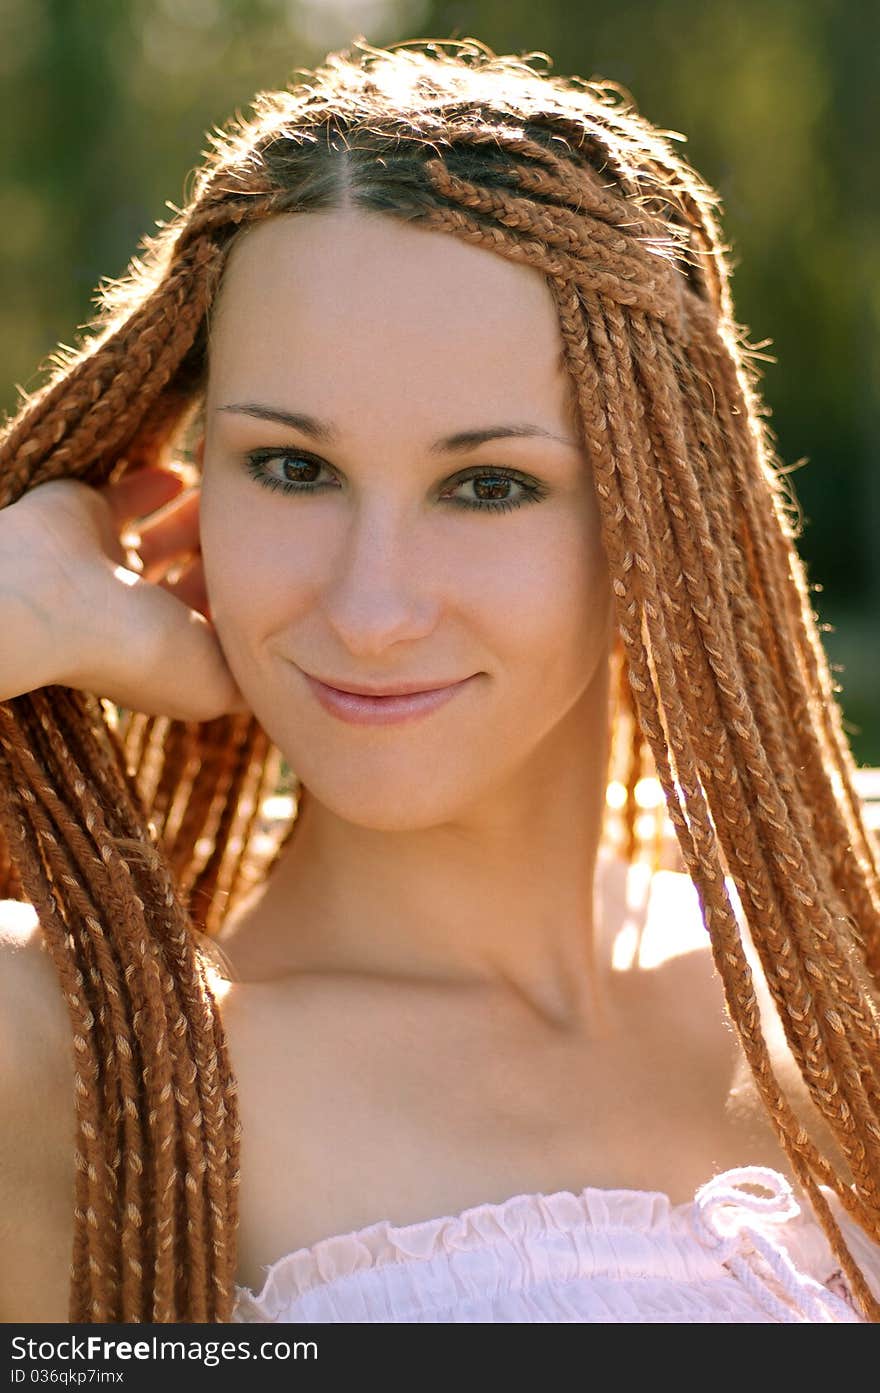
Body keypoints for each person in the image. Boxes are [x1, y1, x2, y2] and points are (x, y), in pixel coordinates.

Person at [1, 36, 879, 1325]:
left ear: (660, 514)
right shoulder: (68, 1053)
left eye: (488, 485)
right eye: (293, 468)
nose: (369, 612)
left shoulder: (849, 945)